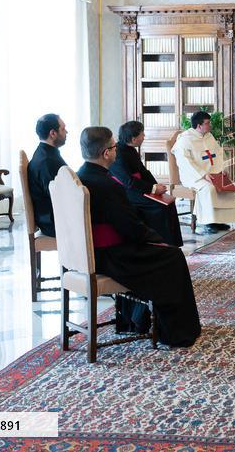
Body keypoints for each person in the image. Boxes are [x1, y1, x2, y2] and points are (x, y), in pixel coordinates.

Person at [76, 127, 201, 347]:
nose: (117, 151)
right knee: (173, 257)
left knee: (163, 251)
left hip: (90, 254)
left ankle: (134, 321)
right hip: (112, 257)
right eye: (114, 147)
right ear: (106, 153)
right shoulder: (107, 185)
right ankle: (177, 332)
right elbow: (130, 228)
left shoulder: (80, 176)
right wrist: (154, 237)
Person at [109, 120, 182, 246]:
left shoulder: (131, 150)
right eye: (142, 134)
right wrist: (152, 190)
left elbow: (143, 171)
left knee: (169, 202)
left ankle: (173, 244)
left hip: (138, 186)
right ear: (133, 139)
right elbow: (128, 181)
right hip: (127, 191)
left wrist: (156, 186)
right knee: (160, 206)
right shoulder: (118, 153)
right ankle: (159, 242)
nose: (144, 137)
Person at [171, 111, 235, 232]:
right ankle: (209, 222)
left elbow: (219, 154)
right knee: (209, 189)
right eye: (207, 123)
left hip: (212, 174)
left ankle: (219, 221)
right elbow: (185, 163)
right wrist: (203, 174)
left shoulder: (209, 136)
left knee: (227, 186)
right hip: (194, 177)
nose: (210, 125)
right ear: (199, 125)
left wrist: (221, 170)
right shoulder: (185, 140)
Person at [28, 114, 69, 238]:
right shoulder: (47, 161)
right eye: (63, 129)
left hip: (53, 217)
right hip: (54, 222)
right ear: (53, 133)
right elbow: (57, 195)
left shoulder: (45, 152)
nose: (67, 132)